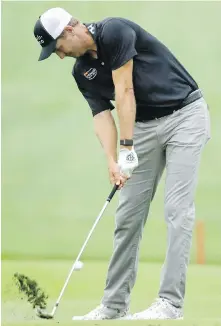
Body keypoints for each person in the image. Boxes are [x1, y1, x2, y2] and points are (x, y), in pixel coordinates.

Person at [33, 7, 211, 320]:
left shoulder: (114, 31)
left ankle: (170, 303)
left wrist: (127, 147)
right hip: (142, 127)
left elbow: (125, 90)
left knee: (177, 210)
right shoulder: (81, 72)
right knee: (128, 215)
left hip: (185, 116)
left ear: (69, 30)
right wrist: (113, 160)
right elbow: (101, 116)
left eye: (57, 47)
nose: (59, 55)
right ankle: (114, 305)